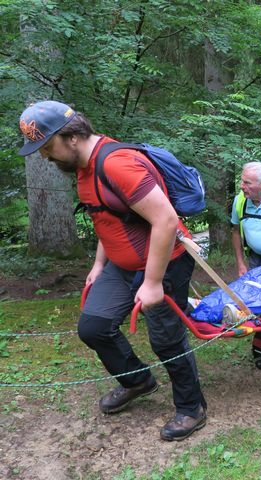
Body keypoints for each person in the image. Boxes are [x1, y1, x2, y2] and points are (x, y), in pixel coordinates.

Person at [17, 101, 206, 441]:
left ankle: (192, 408)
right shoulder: (82, 167)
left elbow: (165, 219)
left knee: (166, 339)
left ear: (71, 137)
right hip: (120, 265)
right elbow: (107, 218)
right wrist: (99, 264)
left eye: (47, 147)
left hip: (165, 262)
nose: (45, 156)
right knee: (94, 327)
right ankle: (138, 380)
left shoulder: (117, 163)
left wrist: (151, 282)